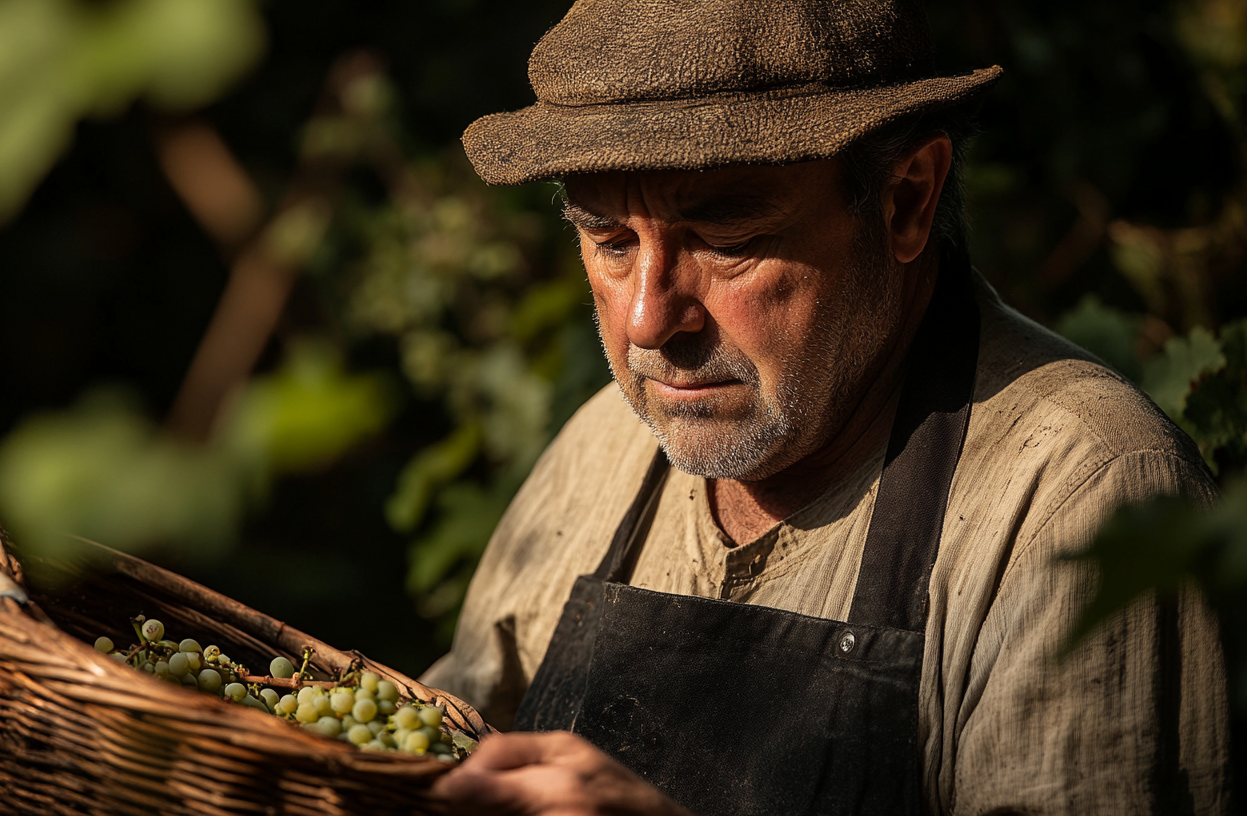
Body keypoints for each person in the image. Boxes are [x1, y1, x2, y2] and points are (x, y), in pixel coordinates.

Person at [424, 1, 1231, 814]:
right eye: (611, 243)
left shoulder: (1082, 499)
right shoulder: (606, 447)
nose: (649, 320)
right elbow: (432, 753)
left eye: (725, 239)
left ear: (907, 199)